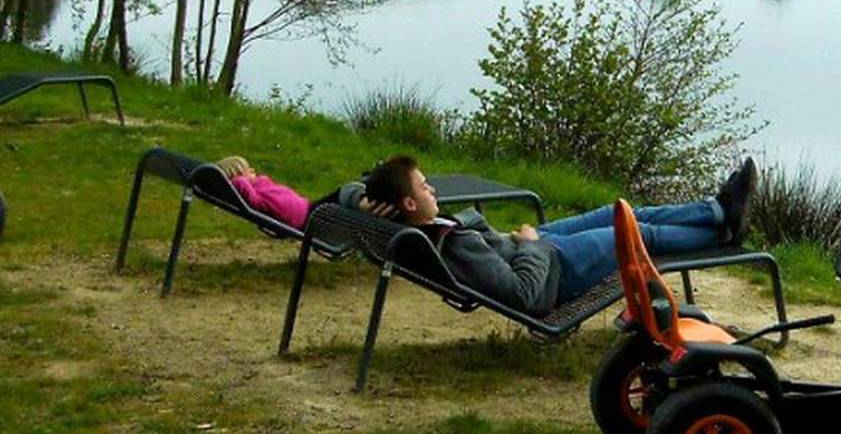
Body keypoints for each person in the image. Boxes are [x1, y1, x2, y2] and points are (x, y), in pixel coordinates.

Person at [362, 154, 758, 316]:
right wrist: (532, 245)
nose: (432, 190)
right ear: (409, 205)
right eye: (425, 187)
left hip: (533, 248)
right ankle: (722, 233)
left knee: (614, 211)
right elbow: (524, 296)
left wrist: (359, 200)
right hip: (553, 268)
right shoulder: (452, 244)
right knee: (639, 234)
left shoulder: (411, 228)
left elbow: (348, 190)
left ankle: (718, 210)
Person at [214, 156, 374, 229]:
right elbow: (253, 201)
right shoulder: (248, 191)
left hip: (308, 209)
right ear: (238, 176)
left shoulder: (256, 187)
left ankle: (370, 184)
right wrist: (242, 180)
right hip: (306, 217)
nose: (253, 170)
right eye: (248, 170)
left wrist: (248, 179)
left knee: (346, 194)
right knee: (344, 194)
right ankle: (371, 185)